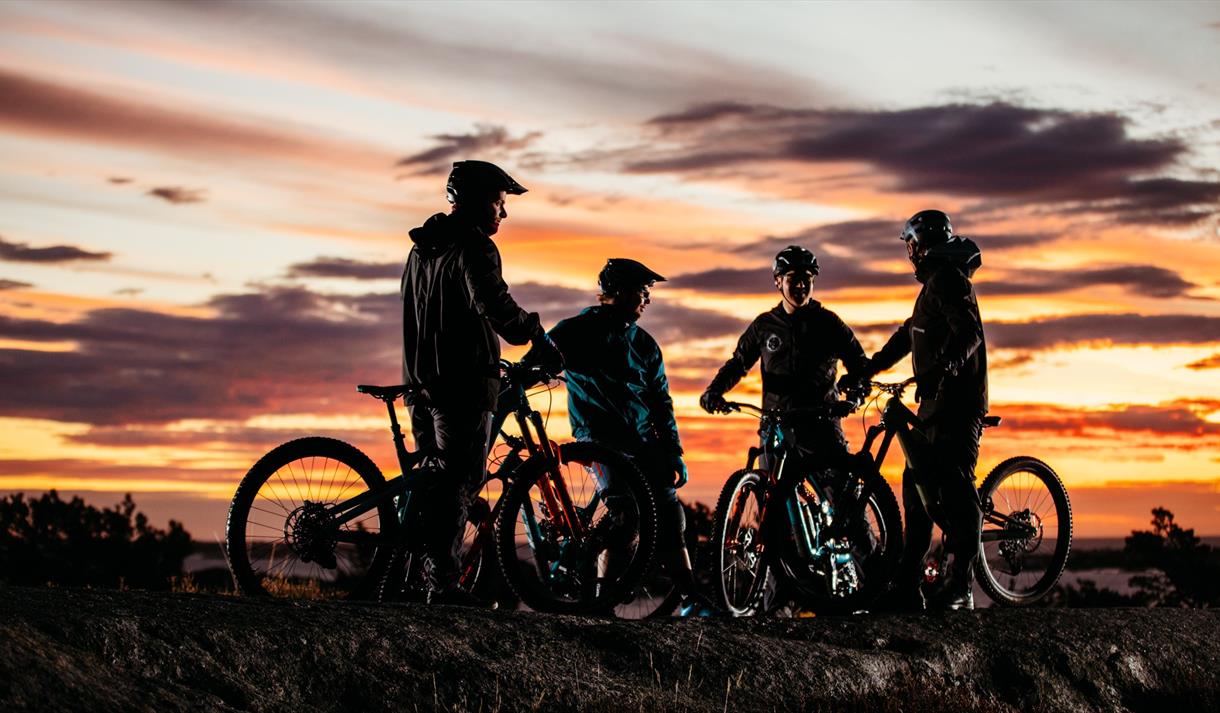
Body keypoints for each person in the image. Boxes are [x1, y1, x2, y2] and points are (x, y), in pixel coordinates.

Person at [400, 159, 561, 606]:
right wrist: (537, 335)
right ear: (475, 201)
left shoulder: (422, 248)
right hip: (461, 382)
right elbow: (496, 306)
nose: (503, 212)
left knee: (432, 483)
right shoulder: (474, 246)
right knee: (460, 478)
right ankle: (443, 585)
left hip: (417, 380)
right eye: (498, 202)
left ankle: (414, 578)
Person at [527, 258, 712, 614]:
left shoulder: (645, 344)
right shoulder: (575, 330)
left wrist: (673, 452)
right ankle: (602, 598)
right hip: (597, 439)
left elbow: (661, 403)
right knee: (625, 514)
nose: (648, 299)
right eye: (643, 291)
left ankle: (689, 596)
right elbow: (534, 363)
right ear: (620, 291)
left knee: (671, 514)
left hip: (642, 442)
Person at [845, 209, 987, 611]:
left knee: (955, 488)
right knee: (917, 493)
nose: (909, 253)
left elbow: (970, 333)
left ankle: (960, 584)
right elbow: (908, 335)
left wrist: (947, 367)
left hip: (958, 406)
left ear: (921, 244)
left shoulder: (949, 279)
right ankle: (908, 586)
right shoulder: (931, 287)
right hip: (931, 405)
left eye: (910, 245)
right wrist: (868, 368)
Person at [700, 246, 871, 466]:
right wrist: (714, 391)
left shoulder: (829, 323)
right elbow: (738, 364)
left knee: (838, 485)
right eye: (793, 278)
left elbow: (860, 365)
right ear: (778, 281)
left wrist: (856, 394)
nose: (801, 285)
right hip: (776, 426)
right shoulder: (764, 325)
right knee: (770, 487)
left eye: (807, 278)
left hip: (822, 425)